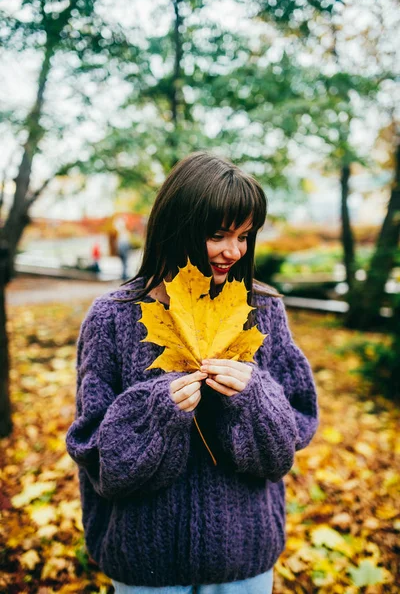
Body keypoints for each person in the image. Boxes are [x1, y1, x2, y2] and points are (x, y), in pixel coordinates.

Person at [65, 151, 319, 594]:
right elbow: (95, 456)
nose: (232, 251)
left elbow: (290, 442)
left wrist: (256, 399)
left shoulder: (263, 310)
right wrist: (156, 412)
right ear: (174, 227)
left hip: (245, 559)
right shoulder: (111, 318)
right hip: (145, 566)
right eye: (218, 235)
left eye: (244, 236)